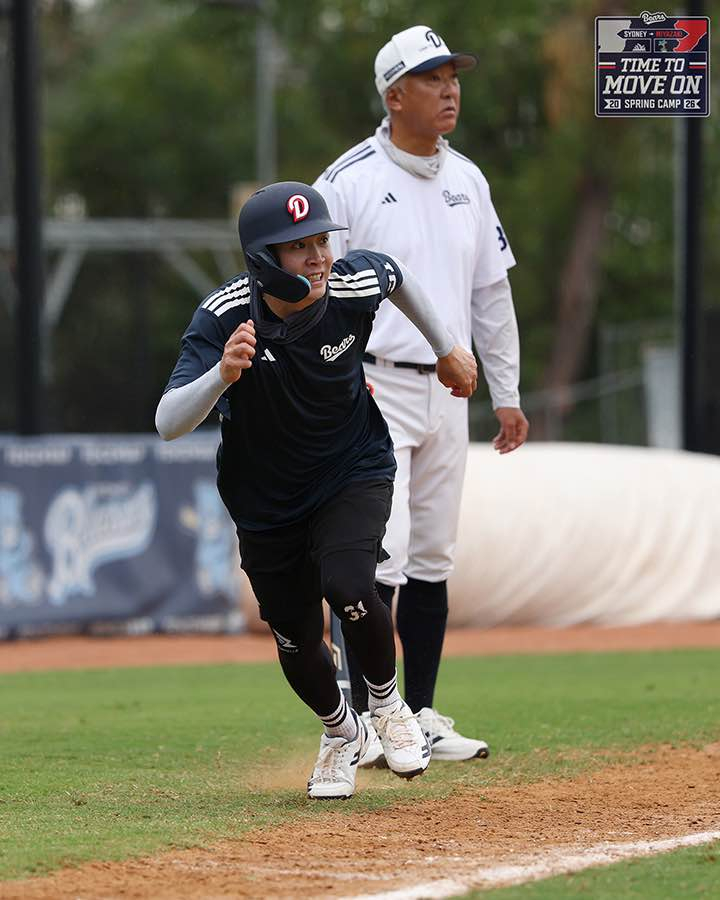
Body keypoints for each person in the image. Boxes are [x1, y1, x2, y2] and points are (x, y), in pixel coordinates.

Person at [155, 181, 478, 799]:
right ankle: (340, 732)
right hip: (266, 501)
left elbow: (396, 275)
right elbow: (169, 422)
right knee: (297, 635)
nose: (320, 257)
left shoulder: (348, 284)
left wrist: (446, 349)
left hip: (352, 468)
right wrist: (222, 376)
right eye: (299, 247)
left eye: (322, 241)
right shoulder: (224, 316)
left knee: (350, 584)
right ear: (263, 262)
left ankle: (387, 706)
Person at [314, 25, 529, 765]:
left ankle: (424, 710)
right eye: (432, 78)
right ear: (393, 93)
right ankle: (368, 717)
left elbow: (490, 294)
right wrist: (328, 381)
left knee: (435, 555)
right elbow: (314, 292)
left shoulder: (469, 179)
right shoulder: (347, 180)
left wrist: (508, 389)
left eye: (453, 76)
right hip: (372, 386)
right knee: (383, 553)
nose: (450, 89)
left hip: (451, 392)